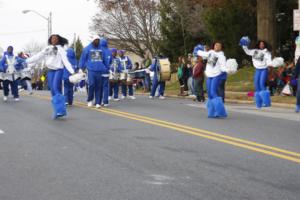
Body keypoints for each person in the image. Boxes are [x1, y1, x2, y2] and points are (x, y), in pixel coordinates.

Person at [26, 34, 75, 118]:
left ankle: (61, 111)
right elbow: (38, 56)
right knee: (52, 91)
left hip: (58, 70)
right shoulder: (47, 48)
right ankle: (57, 111)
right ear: (50, 40)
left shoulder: (61, 50)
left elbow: (66, 61)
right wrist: (26, 61)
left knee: (56, 88)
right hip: (50, 71)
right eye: (52, 38)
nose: (53, 40)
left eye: (55, 39)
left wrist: (72, 71)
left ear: (58, 40)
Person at [197, 42, 227, 118]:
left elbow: (223, 67)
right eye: (216, 45)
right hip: (209, 75)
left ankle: (221, 112)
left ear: (221, 48)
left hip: (216, 75)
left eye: (219, 45)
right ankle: (212, 112)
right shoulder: (210, 52)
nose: (217, 46)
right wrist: (197, 50)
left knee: (213, 92)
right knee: (210, 94)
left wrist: (227, 70)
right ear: (213, 46)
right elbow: (204, 54)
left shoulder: (221, 56)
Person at [79, 35, 110, 108]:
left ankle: (98, 102)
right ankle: (90, 100)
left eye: (98, 40)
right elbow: (83, 58)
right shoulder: (87, 49)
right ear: (93, 40)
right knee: (92, 85)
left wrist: (106, 68)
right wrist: (81, 67)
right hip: (91, 70)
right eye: (96, 40)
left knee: (99, 86)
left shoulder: (101, 49)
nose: (97, 41)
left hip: (100, 70)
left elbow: (105, 59)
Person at [241, 39, 272, 108]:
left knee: (261, 84)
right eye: (260, 44)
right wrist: (244, 46)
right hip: (257, 70)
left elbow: (269, 60)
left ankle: (266, 102)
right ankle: (259, 102)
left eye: (263, 44)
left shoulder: (267, 52)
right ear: (258, 45)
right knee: (256, 85)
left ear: (265, 45)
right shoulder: (254, 51)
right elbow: (247, 52)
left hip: (264, 69)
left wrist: (270, 65)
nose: (261, 45)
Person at [99, 38, 112, 107]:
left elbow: (97, 62)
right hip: (106, 71)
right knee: (106, 87)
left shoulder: (98, 50)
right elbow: (111, 61)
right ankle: (106, 102)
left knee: (99, 87)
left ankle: (99, 101)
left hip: (99, 71)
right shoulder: (109, 51)